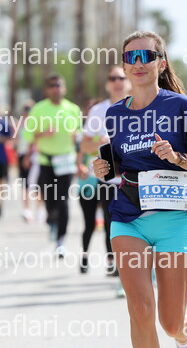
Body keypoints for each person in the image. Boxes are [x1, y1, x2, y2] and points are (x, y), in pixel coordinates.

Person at [94, 30, 187, 348]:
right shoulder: (115, 114)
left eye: (146, 55)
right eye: (131, 57)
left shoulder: (180, 106)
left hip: (176, 218)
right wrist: (102, 168)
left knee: (169, 320)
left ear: (161, 63)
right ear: (124, 65)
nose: (138, 62)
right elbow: (117, 164)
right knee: (140, 309)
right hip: (128, 216)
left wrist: (176, 157)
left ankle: (184, 338)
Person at [78, 67, 131, 276]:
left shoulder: (140, 105)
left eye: (121, 78)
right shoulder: (98, 110)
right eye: (113, 78)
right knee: (111, 224)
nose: (117, 82)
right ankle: (115, 263)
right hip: (108, 179)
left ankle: (135, 265)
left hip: (136, 178)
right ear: (108, 84)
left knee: (136, 223)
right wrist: (100, 143)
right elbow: (84, 145)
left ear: (128, 81)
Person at [23, 74, 82, 257]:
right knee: (49, 199)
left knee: (63, 200)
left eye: (59, 85)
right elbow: (29, 136)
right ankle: (51, 220)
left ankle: (61, 241)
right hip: (45, 161)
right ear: (46, 90)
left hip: (66, 161)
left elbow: (79, 136)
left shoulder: (73, 109)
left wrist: (80, 159)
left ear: (64, 88)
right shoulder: (38, 109)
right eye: (52, 85)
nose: (56, 88)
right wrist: (42, 135)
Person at [15, 100, 35, 222]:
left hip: (34, 156)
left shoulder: (37, 123)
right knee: (25, 183)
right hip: (22, 155)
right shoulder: (20, 124)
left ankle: (40, 209)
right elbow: (16, 139)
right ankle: (27, 209)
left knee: (38, 184)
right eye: (26, 109)